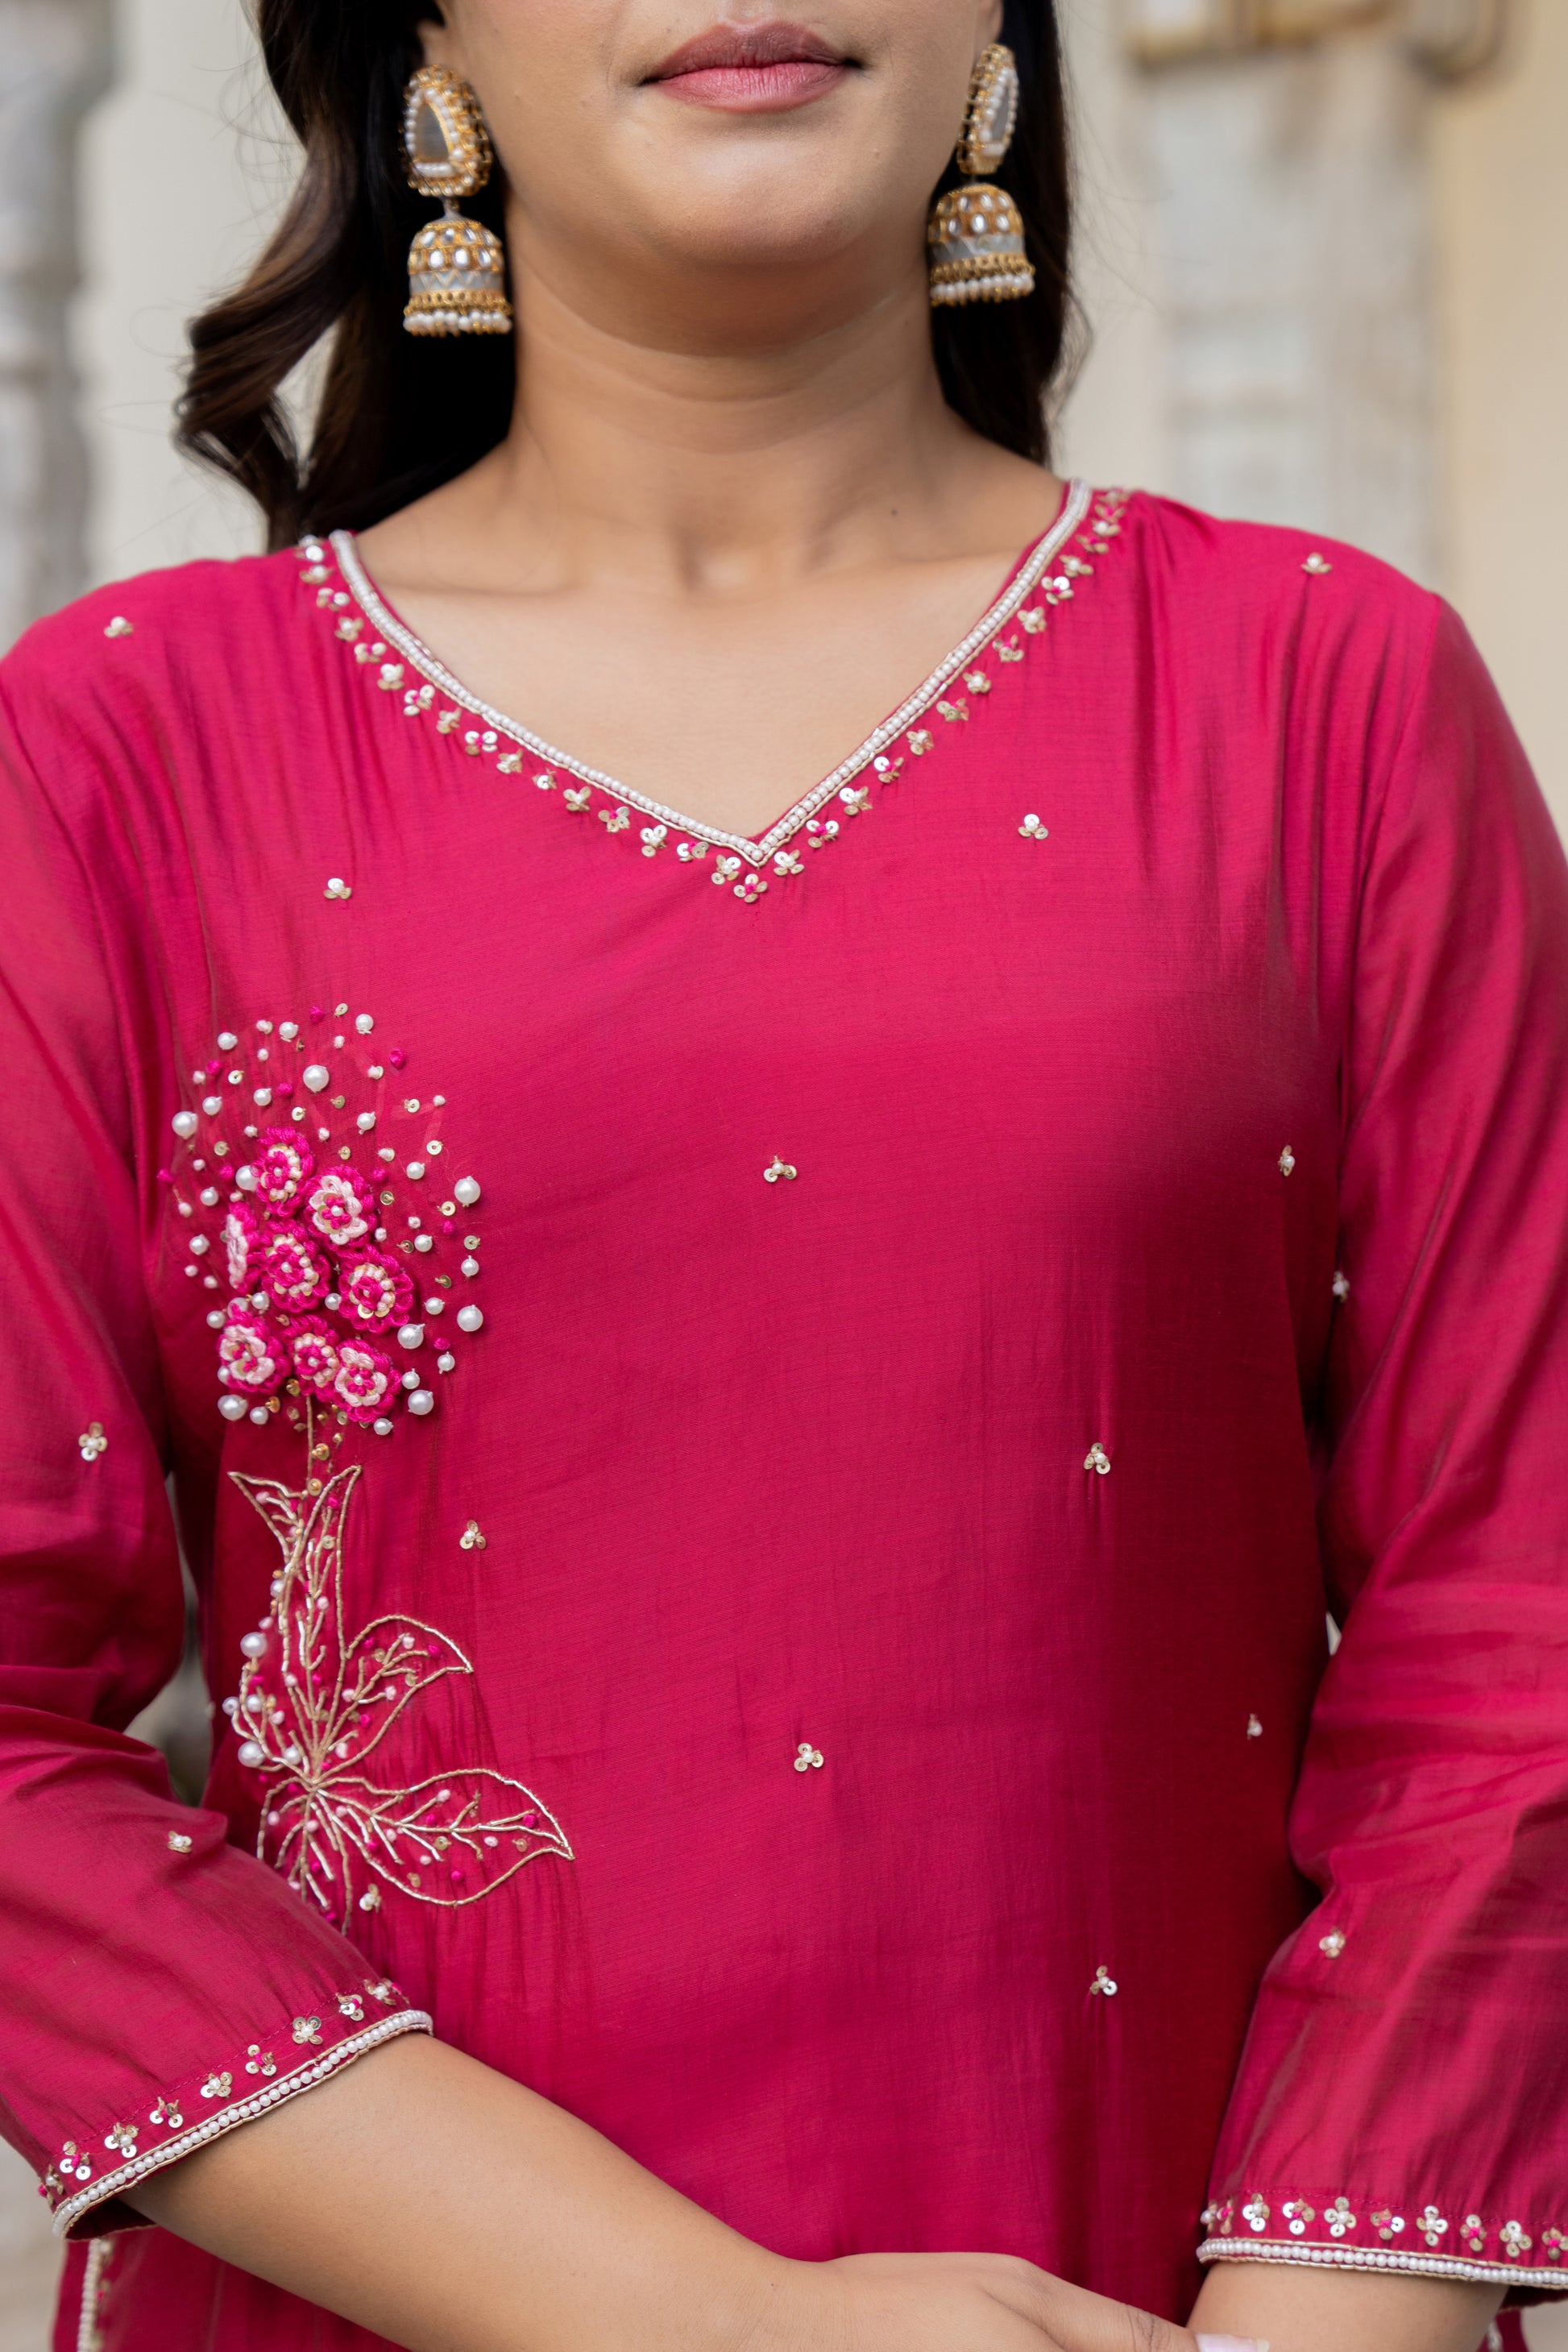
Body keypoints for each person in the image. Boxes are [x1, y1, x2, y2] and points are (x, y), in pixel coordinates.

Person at [0, 4, 1563, 2349]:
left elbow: (1519, 1628)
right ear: (426, 42)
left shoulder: (1318, 698)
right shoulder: (126, 753)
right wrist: (702, 2320)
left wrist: (1316, 2329)